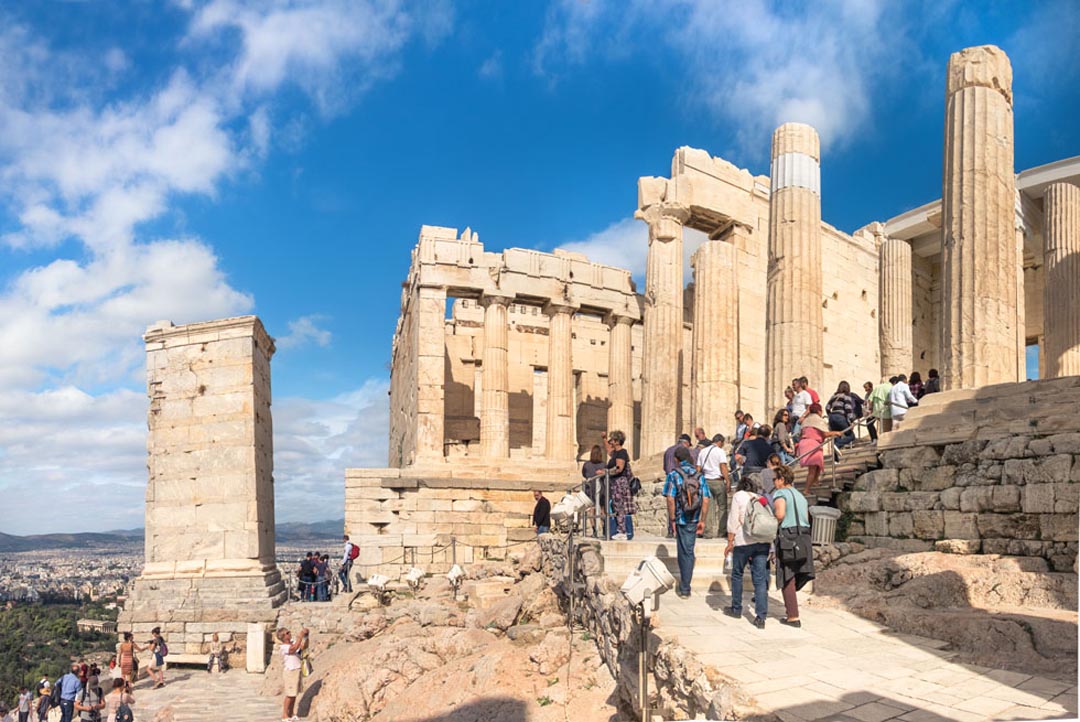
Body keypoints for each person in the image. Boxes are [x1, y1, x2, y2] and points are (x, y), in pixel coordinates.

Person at [663, 446, 711, 598]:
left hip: (680, 517)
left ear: (676, 459)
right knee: (688, 551)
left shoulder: (673, 475)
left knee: (684, 551)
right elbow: (705, 498)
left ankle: (685, 588)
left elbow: (670, 498)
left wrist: (672, 519)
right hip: (694, 517)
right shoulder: (699, 476)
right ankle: (685, 585)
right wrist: (703, 520)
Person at [724, 475, 772, 628]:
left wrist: (730, 541)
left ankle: (736, 608)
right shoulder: (760, 498)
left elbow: (733, 519)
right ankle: (761, 617)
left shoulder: (738, 496)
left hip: (743, 541)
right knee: (759, 579)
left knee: (737, 574)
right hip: (762, 542)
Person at [772, 465, 814, 627]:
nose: (774, 482)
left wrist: (770, 522)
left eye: (775, 479)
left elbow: (780, 514)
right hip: (803, 535)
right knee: (800, 569)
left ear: (782, 480)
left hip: (788, 535)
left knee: (787, 574)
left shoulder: (780, 493)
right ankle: (792, 606)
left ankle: (793, 616)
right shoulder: (800, 496)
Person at [796, 404, 843, 496]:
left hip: (806, 444)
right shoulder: (818, 420)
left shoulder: (806, 421)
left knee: (818, 465)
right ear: (819, 411)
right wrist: (836, 433)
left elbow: (801, 433)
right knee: (812, 469)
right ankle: (806, 490)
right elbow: (825, 434)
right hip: (812, 444)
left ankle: (815, 482)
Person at [696, 434, 732, 539]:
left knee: (708, 507)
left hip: (706, 481)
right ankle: (722, 531)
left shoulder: (703, 452)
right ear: (720, 442)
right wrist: (728, 481)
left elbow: (698, 468)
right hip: (718, 481)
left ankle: (707, 532)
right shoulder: (720, 451)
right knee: (722, 507)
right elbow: (723, 466)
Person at [607, 430, 635, 540]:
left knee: (620, 506)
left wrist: (605, 472)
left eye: (611, 440)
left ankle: (622, 531)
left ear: (617, 441)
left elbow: (619, 468)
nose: (610, 442)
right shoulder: (615, 453)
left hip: (619, 482)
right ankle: (620, 529)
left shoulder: (621, 453)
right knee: (616, 506)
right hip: (615, 482)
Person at [277, 627, 309, 722]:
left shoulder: (293, 642)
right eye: (287, 633)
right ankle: (284, 715)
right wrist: (300, 636)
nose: (290, 633)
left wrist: (306, 636)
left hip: (297, 670)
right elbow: (293, 649)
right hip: (290, 672)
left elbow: (302, 648)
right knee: (289, 694)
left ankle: (291, 713)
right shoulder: (284, 647)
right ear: (283, 636)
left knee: (294, 694)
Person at [825, 381, 857, 449]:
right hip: (840, 417)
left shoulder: (834, 396)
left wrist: (830, 415)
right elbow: (848, 409)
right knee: (851, 436)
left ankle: (836, 456)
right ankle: (838, 444)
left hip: (832, 417)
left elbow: (827, 407)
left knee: (836, 435)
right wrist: (851, 421)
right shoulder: (846, 396)